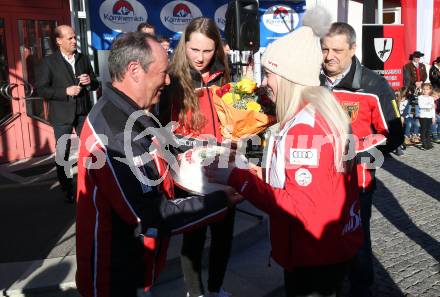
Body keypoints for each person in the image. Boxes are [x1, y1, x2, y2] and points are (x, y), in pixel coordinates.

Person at [206, 7, 363, 297]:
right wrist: (261, 173)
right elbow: (309, 185)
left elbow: (297, 206)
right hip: (321, 250)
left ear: (289, 77)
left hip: (313, 255)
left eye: (268, 74)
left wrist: (237, 177)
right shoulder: (312, 113)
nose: (264, 83)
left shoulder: (305, 127)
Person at [75, 32, 238, 297]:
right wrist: (221, 200)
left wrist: (212, 150)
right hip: (114, 278)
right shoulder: (114, 136)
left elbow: (166, 141)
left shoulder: (130, 110)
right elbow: (152, 216)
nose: (167, 79)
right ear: (135, 70)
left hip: (137, 267)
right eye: (162, 72)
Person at [320, 22, 404, 297]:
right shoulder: (312, 80)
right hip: (319, 181)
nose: (329, 56)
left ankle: (361, 288)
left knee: (357, 241)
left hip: (358, 181)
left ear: (353, 49)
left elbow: (393, 136)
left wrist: (355, 153)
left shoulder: (373, 84)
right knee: (323, 237)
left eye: (337, 50)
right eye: (325, 49)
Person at [159, 17, 233, 297]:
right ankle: (195, 292)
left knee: (224, 236)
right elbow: (161, 129)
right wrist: (193, 144)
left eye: (207, 51)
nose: (201, 58)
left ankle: (216, 289)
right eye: (194, 50)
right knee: (194, 236)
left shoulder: (225, 75)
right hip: (188, 172)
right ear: (184, 45)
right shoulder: (171, 79)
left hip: (224, 166)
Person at [35, 25, 99, 203]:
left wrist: (89, 81)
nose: (74, 41)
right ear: (58, 41)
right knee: (63, 153)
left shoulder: (82, 58)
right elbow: (42, 90)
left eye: (74, 37)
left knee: (90, 148)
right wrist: (65, 91)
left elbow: (95, 84)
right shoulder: (49, 62)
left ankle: (92, 183)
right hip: (62, 115)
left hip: (83, 112)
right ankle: (67, 188)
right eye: (70, 38)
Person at [417, 83, 436, 150]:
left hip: (429, 116)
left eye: (427, 89)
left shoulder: (431, 98)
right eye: (424, 89)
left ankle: (429, 143)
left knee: (428, 130)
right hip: (423, 116)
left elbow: (433, 109)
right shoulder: (420, 97)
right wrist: (430, 106)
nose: (425, 90)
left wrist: (433, 117)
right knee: (424, 130)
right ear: (422, 89)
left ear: (430, 90)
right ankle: (424, 144)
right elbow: (421, 106)